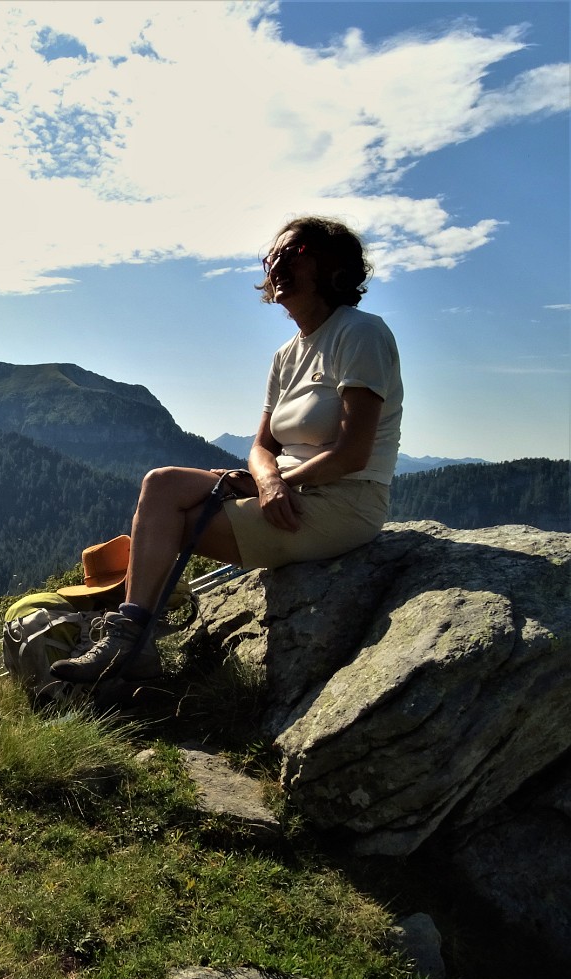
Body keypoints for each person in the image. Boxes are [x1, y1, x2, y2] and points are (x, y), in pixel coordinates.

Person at [52, 216, 403, 685]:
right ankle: (129, 637)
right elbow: (262, 446)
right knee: (162, 483)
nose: (276, 264)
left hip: (344, 501)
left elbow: (352, 453)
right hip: (284, 488)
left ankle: (129, 650)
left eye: (292, 253)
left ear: (332, 265)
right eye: (270, 256)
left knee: (175, 520)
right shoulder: (287, 353)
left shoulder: (360, 333)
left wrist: (279, 481)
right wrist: (267, 478)